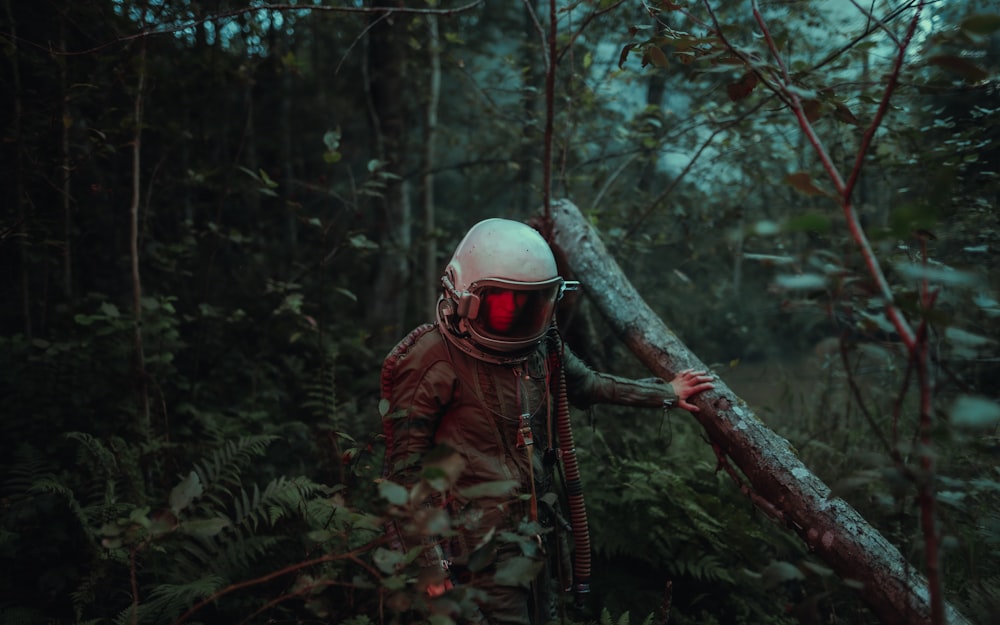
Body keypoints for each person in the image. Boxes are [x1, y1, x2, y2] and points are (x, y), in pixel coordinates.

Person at [379, 218, 714, 625]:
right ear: (463, 297)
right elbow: (404, 474)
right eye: (505, 305)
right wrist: (429, 565)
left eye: (531, 303)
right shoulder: (432, 358)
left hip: (539, 537)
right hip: (474, 550)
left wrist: (666, 393)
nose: (519, 315)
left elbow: (586, 384)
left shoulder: (539, 346)